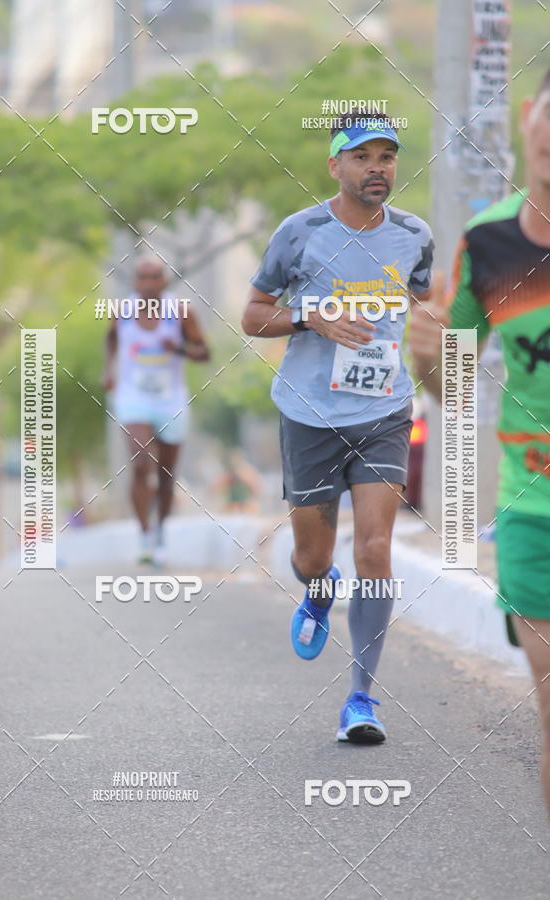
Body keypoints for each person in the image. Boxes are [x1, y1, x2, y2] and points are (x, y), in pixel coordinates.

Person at [242, 114, 434, 742]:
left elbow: (424, 303)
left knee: (375, 548)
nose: (377, 167)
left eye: (387, 156)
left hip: (384, 410)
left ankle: (361, 698)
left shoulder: (414, 236)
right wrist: (311, 319)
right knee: (311, 556)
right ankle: (320, 589)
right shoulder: (300, 233)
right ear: (336, 166)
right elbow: (252, 314)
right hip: (309, 415)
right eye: (362, 157)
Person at [409, 70, 550, 813]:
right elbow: (452, 387)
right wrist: (428, 351)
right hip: (533, 512)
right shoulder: (488, 244)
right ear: (530, 117)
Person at [103, 255, 209, 564]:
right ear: (135, 282)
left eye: (154, 278)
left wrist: (176, 348)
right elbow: (111, 339)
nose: (148, 284)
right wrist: (108, 371)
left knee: (166, 473)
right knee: (139, 463)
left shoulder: (181, 312)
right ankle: (145, 535)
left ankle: (161, 529)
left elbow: (203, 352)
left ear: (164, 281)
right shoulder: (122, 311)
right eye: (142, 278)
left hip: (170, 400)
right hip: (133, 397)